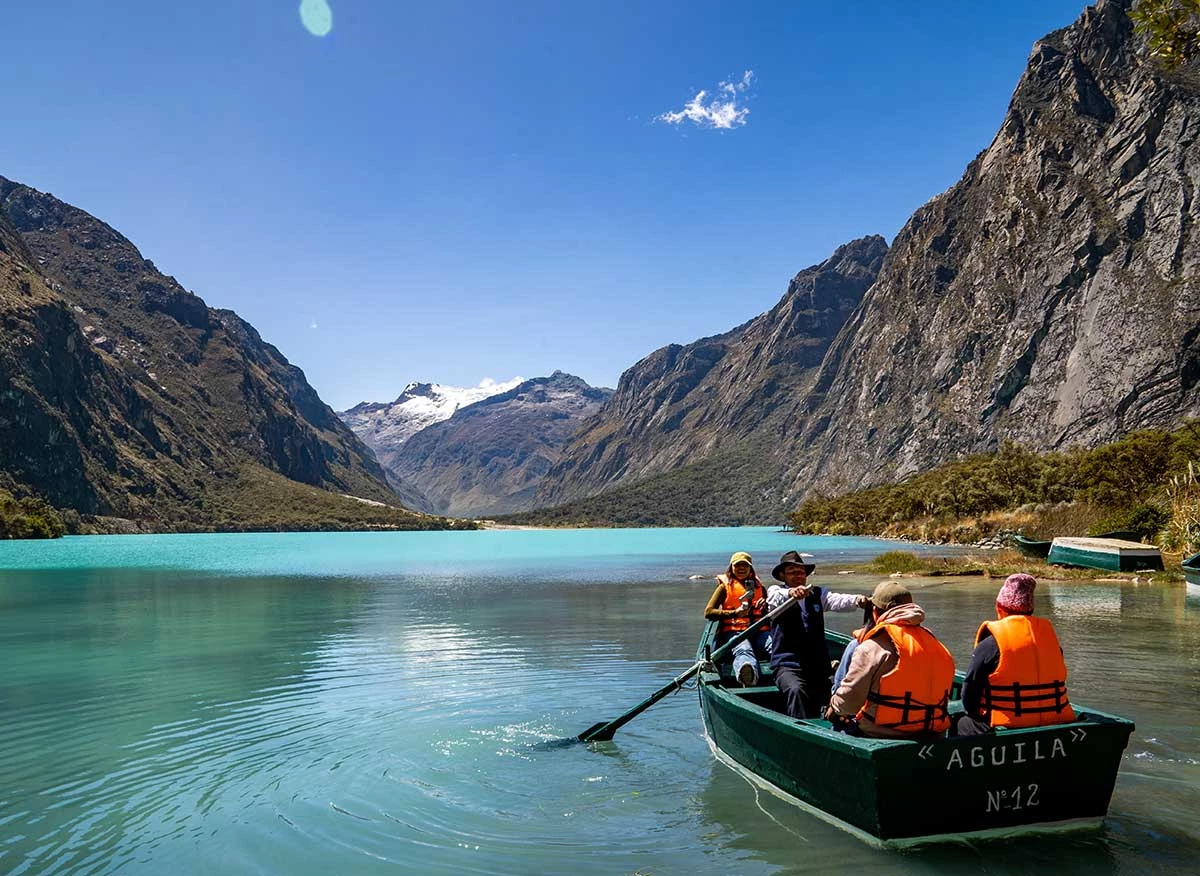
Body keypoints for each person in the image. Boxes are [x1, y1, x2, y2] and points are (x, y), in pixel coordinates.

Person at [825, 581, 956, 739]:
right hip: (933, 733)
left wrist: (833, 707)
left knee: (837, 719)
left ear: (875, 612)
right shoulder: (936, 644)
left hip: (879, 733)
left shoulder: (870, 648)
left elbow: (849, 703)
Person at [956, 573, 1075, 736]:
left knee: (961, 722)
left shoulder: (990, 644)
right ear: (1031, 609)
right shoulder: (1052, 641)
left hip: (1008, 726)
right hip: (1056, 720)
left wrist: (976, 713)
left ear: (999, 608)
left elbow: (969, 695)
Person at [765, 551, 871, 718]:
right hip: (787, 664)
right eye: (792, 572)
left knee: (837, 694)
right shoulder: (776, 592)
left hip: (817, 666)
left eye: (801, 572)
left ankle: (839, 730)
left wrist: (858, 600)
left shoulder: (817, 594)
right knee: (796, 691)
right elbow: (774, 598)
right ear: (782, 575)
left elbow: (837, 600)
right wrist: (791, 593)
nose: (798, 576)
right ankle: (800, 733)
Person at [704, 551, 769, 686]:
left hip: (759, 630)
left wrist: (765, 605)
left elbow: (769, 611)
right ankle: (747, 675)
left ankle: (791, 671)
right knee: (744, 649)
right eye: (737, 565)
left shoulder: (759, 587)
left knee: (775, 645)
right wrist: (734, 613)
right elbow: (709, 612)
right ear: (731, 568)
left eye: (745, 565)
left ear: (750, 568)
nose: (741, 568)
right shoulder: (724, 587)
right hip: (735, 631)